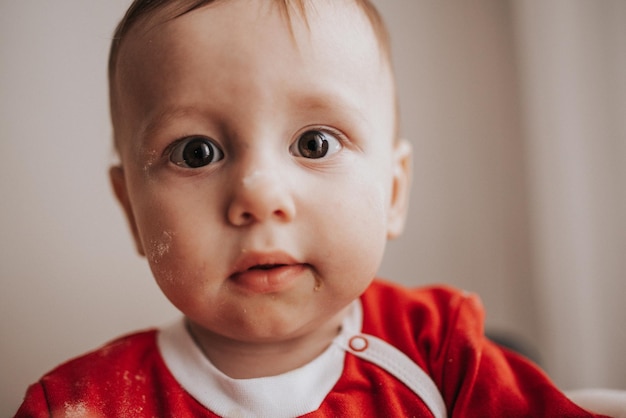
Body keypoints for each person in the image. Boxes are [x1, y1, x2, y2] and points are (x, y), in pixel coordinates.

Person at [14, 0, 607, 416]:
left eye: (314, 143)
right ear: (131, 210)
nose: (259, 195)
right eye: (197, 152)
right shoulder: (81, 403)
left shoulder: (442, 350)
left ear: (394, 191)